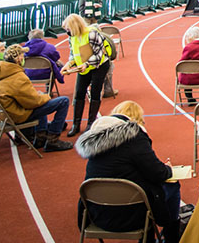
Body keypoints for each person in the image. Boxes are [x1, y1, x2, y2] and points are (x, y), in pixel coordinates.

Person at [75, 101, 181, 242]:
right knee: (172, 185)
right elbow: (158, 173)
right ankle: (171, 237)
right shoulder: (135, 136)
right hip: (135, 216)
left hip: (97, 215)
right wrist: (168, 168)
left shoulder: (95, 139)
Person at [0, 43, 73, 151]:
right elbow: (34, 102)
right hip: (17, 114)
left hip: (2, 114)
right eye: (23, 56)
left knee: (38, 99)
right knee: (63, 101)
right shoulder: (18, 77)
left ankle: (40, 136)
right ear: (19, 58)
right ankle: (52, 140)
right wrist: (45, 96)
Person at [62, 13, 114, 136]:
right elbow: (73, 52)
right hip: (83, 67)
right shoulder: (72, 37)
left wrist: (86, 63)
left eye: (69, 29)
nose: (67, 32)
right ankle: (76, 123)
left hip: (99, 65)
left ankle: (91, 122)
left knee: (95, 92)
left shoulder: (92, 34)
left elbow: (99, 54)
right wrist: (69, 64)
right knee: (79, 92)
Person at [178, 26, 199, 104]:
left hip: (188, 79)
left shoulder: (188, 48)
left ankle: (190, 98)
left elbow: (181, 64)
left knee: (185, 74)